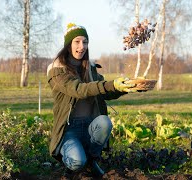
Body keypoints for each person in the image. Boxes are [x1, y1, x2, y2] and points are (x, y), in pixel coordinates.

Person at [47, 23, 136, 177]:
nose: (82, 46)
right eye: (77, 42)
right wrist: (110, 84)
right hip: (69, 130)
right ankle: (72, 164)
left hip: (90, 126)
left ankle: (91, 161)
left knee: (104, 122)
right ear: (68, 45)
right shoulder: (57, 70)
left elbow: (104, 92)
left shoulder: (90, 68)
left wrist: (124, 88)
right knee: (76, 161)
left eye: (85, 42)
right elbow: (79, 90)